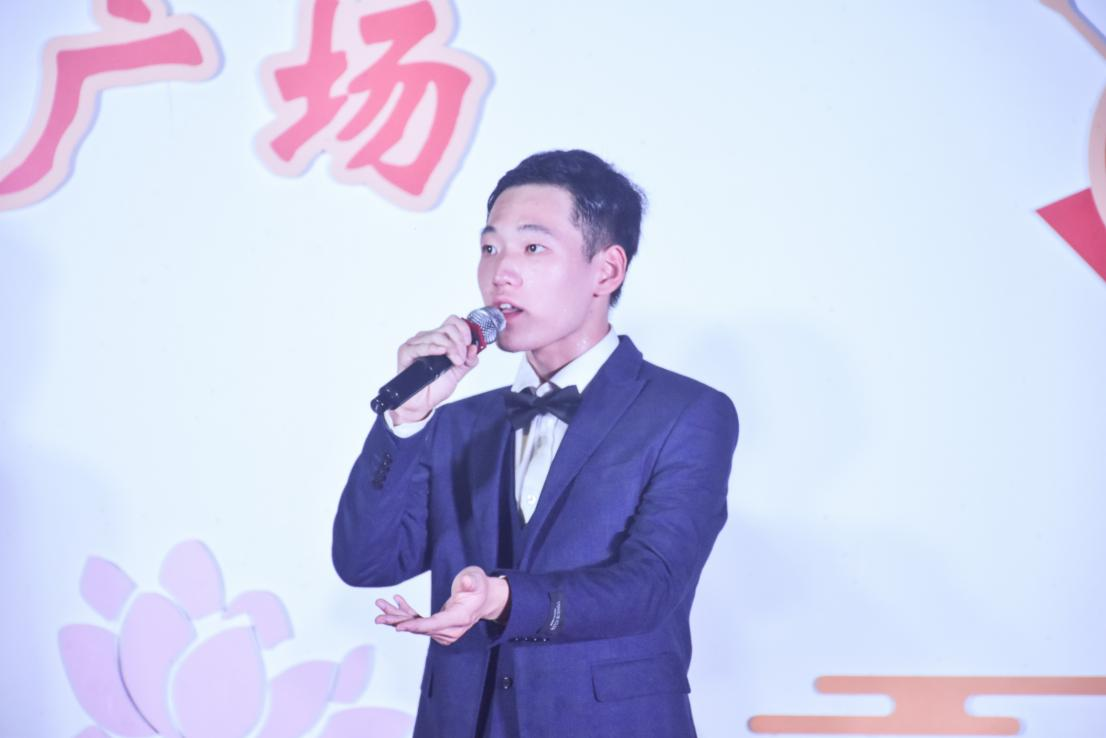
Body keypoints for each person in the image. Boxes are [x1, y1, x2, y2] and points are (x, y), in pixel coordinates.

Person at [332, 149, 739, 738]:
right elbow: (366, 561)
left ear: (607, 270)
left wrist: (502, 598)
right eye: (489, 248)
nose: (501, 272)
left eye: (533, 248)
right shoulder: (457, 421)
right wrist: (407, 419)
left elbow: (650, 586)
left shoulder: (686, 413)